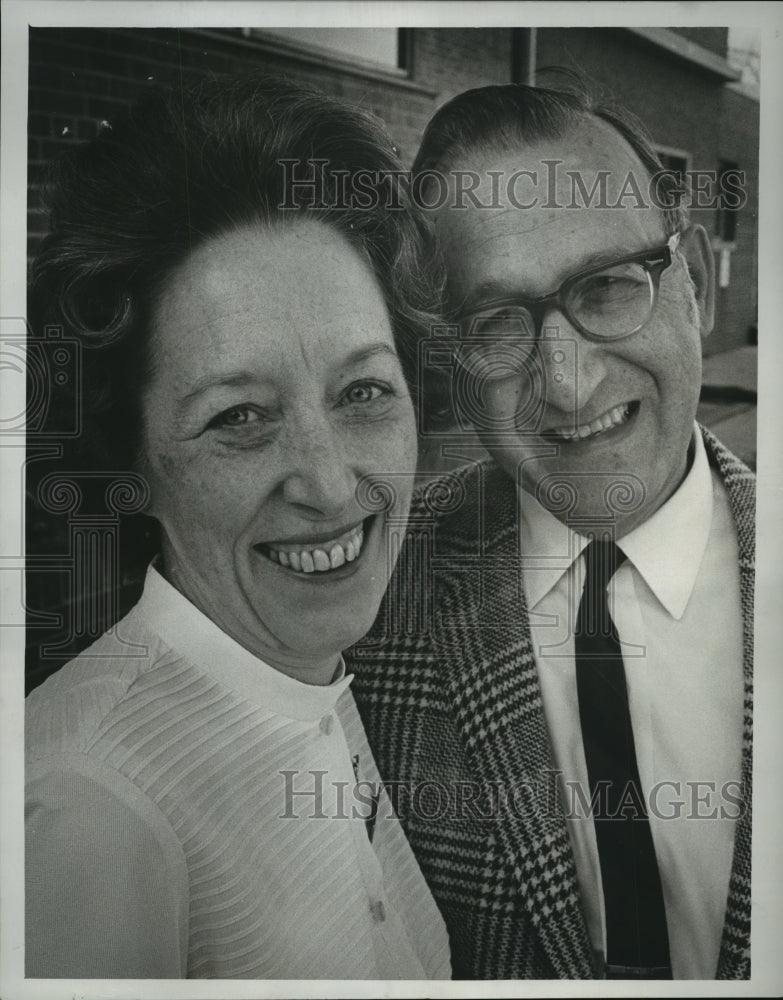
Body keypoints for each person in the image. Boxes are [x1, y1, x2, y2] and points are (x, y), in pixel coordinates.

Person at [24, 74, 450, 980]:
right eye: (239, 417)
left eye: (364, 392)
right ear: (129, 464)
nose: (331, 486)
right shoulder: (83, 811)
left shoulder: (316, 676)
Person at [347, 82, 754, 980]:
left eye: (608, 287)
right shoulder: (360, 598)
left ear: (691, 281)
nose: (566, 384)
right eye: (499, 324)